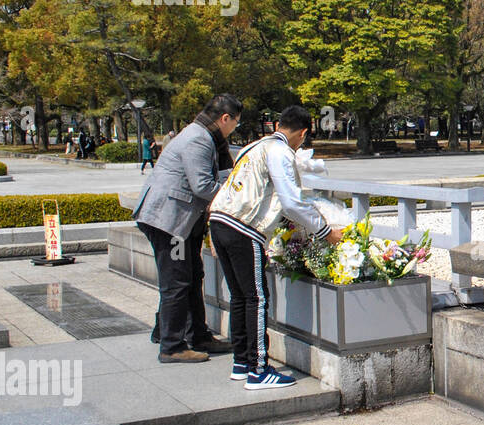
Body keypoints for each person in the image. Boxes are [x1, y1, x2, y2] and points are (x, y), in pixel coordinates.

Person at [209, 105, 342, 389]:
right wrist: (325, 231)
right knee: (256, 298)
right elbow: (292, 201)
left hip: (220, 220)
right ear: (303, 133)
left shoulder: (253, 146)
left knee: (239, 297)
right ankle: (259, 370)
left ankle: (241, 363)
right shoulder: (281, 152)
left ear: (279, 124)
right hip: (244, 228)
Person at [133, 95, 242, 363]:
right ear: (225, 118)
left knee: (192, 275)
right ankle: (172, 345)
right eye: (235, 123)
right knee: (178, 280)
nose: (234, 129)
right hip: (171, 222)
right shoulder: (199, 139)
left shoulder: (200, 134)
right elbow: (202, 186)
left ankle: (198, 336)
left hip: (179, 220)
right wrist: (238, 196)